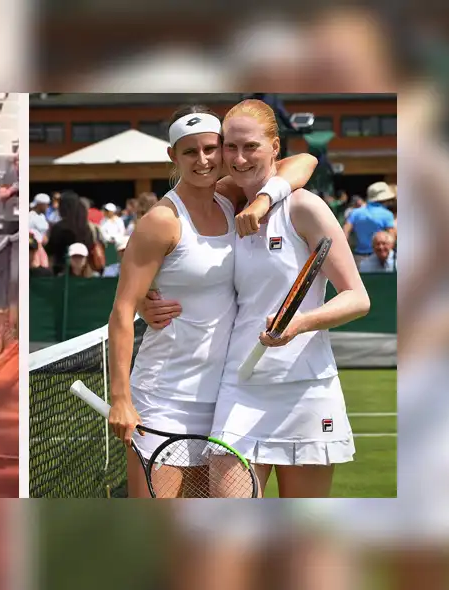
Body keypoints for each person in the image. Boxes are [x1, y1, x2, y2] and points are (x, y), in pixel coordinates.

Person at [144, 99, 370, 498]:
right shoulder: (224, 205)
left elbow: (357, 297)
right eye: (230, 147)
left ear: (274, 148)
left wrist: (298, 323)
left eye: (251, 146)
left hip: (306, 389)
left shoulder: (304, 207)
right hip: (239, 385)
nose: (239, 157)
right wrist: (147, 300)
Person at [106, 103, 318, 498]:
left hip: (220, 400)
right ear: (173, 156)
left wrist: (261, 201)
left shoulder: (229, 198)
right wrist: (121, 399)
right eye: (190, 151)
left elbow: (304, 160)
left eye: (210, 149)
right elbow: (120, 311)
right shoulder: (162, 221)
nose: (202, 160)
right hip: (163, 398)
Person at [344, 181, 395, 264]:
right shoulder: (387, 214)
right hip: (379, 256)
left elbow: (345, 232)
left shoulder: (355, 213)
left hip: (359, 256)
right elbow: (392, 237)